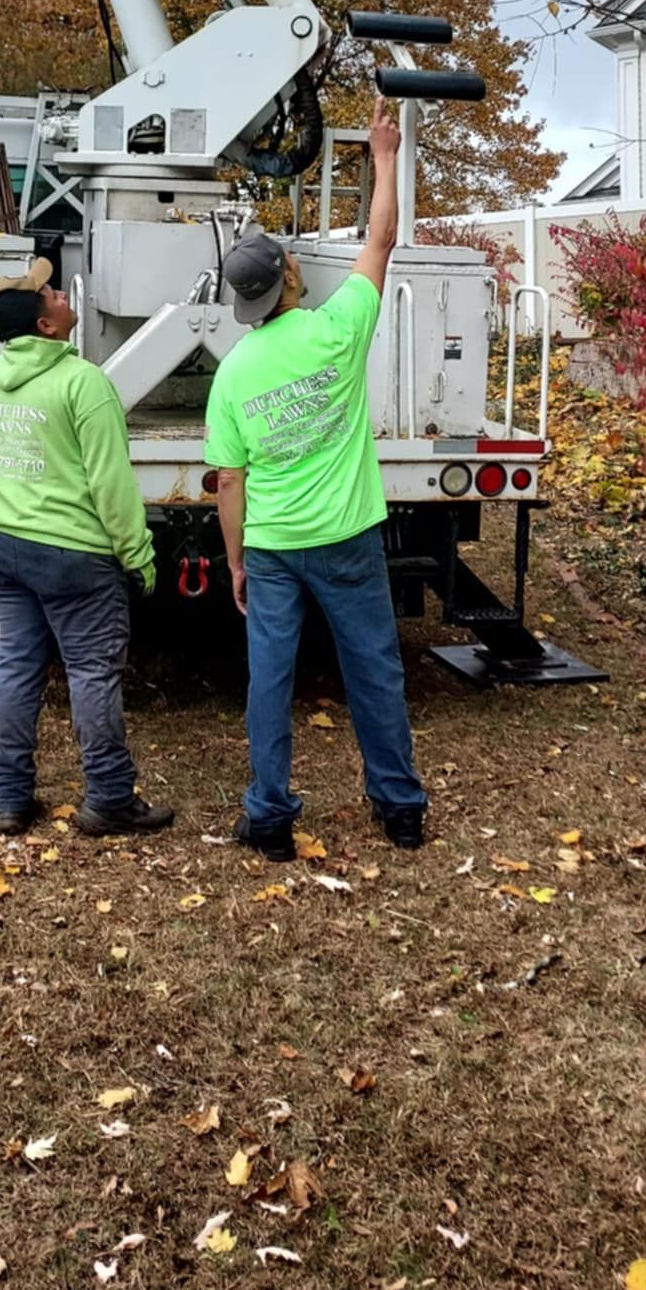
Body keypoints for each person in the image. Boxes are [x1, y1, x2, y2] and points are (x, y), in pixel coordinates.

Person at [204, 98, 429, 862]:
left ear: (249, 301)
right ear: (292, 276)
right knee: (374, 670)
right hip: (347, 540)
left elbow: (228, 480)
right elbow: (381, 238)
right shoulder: (339, 330)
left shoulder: (233, 373)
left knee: (269, 681)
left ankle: (269, 816)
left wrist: (236, 561)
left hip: (271, 547)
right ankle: (399, 809)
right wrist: (385, 155)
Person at [0, 257, 173, 839]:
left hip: (3, 545)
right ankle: (108, 798)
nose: (60, 292)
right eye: (50, 293)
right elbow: (112, 485)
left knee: (15, 671)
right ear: (47, 328)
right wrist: (139, 556)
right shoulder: (84, 383)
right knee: (90, 673)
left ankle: (10, 800)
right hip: (75, 558)